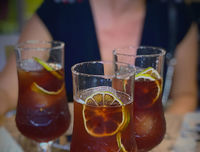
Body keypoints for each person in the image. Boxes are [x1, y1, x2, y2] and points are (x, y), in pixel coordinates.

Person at [0, 0, 198, 115]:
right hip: (71, 151)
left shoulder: (175, 16)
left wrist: (154, 132)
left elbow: (185, 94)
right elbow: (8, 90)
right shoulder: (58, 10)